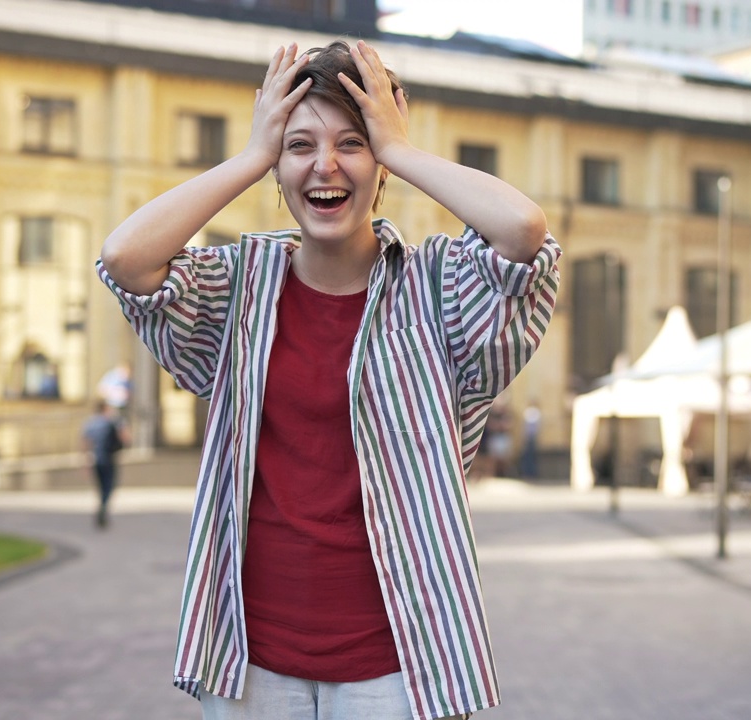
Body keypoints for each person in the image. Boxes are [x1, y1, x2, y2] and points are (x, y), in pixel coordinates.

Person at [97, 40, 560, 720]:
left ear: (379, 166)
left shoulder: (439, 289)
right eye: (300, 145)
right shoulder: (237, 287)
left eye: (352, 143)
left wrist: (399, 147)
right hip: (252, 663)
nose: (326, 165)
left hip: (400, 666)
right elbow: (126, 259)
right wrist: (253, 154)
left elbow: (522, 234)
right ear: (279, 170)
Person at [82, 399, 127, 528]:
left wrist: (85, 462)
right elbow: (126, 437)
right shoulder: (113, 421)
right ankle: (103, 507)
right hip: (109, 458)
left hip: (95, 459)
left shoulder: (90, 423)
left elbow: (85, 442)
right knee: (109, 486)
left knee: (101, 486)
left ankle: (102, 506)